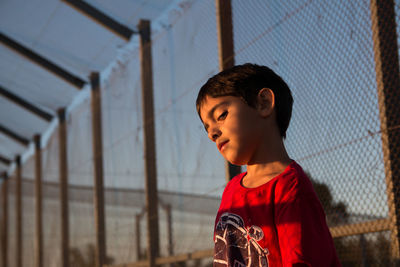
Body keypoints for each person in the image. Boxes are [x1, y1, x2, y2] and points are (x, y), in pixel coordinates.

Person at [196, 63, 341, 267]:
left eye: (221, 115)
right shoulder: (231, 191)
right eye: (207, 127)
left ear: (264, 103)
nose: (212, 134)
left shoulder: (290, 188)